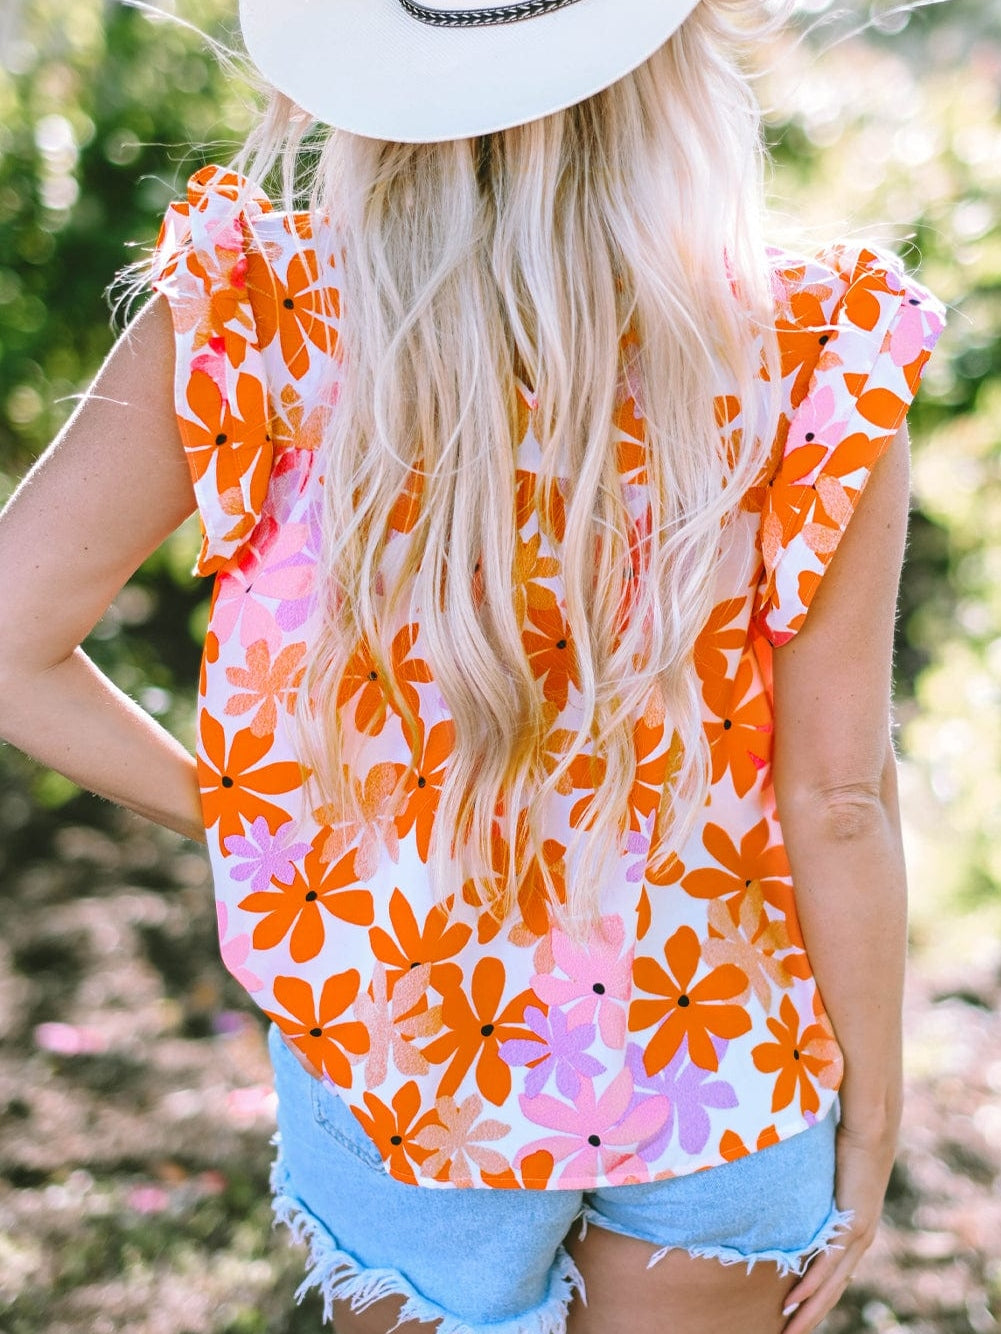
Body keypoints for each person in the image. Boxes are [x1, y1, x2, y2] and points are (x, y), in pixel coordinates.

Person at [0, 0, 946, 1331]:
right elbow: (838, 792)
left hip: (402, 1047)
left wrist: (277, 818)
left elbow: (10, 641)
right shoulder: (811, 345)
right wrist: (876, 1103)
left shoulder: (257, 314)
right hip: (718, 1053)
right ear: (671, 53)